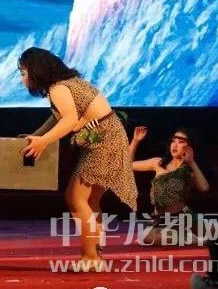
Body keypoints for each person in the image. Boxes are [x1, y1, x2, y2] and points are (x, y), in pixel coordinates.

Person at [20, 47, 136, 271]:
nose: (22, 78)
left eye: (24, 72)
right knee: (89, 202)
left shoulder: (58, 89)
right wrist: (37, 135)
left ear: (37, 71)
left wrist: (44, 142)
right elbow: (58, 118)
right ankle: (95, 257)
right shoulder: (66, 84)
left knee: (75, 198)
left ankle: (90, 258)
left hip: (104, 142)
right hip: (108, 138)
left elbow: (69, 120)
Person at [130, 126, 210, 246]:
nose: (175, 145)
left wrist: (192, 162)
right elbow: (128, 165)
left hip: (184, 217)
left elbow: (204, 188)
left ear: (189, 148)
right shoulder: (158, 163)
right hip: (161, 220)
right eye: (173, 141)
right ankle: (191, 239)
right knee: (148, 238)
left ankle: (188, 235)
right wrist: (136, 141)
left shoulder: (189, 169)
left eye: (181, 142)